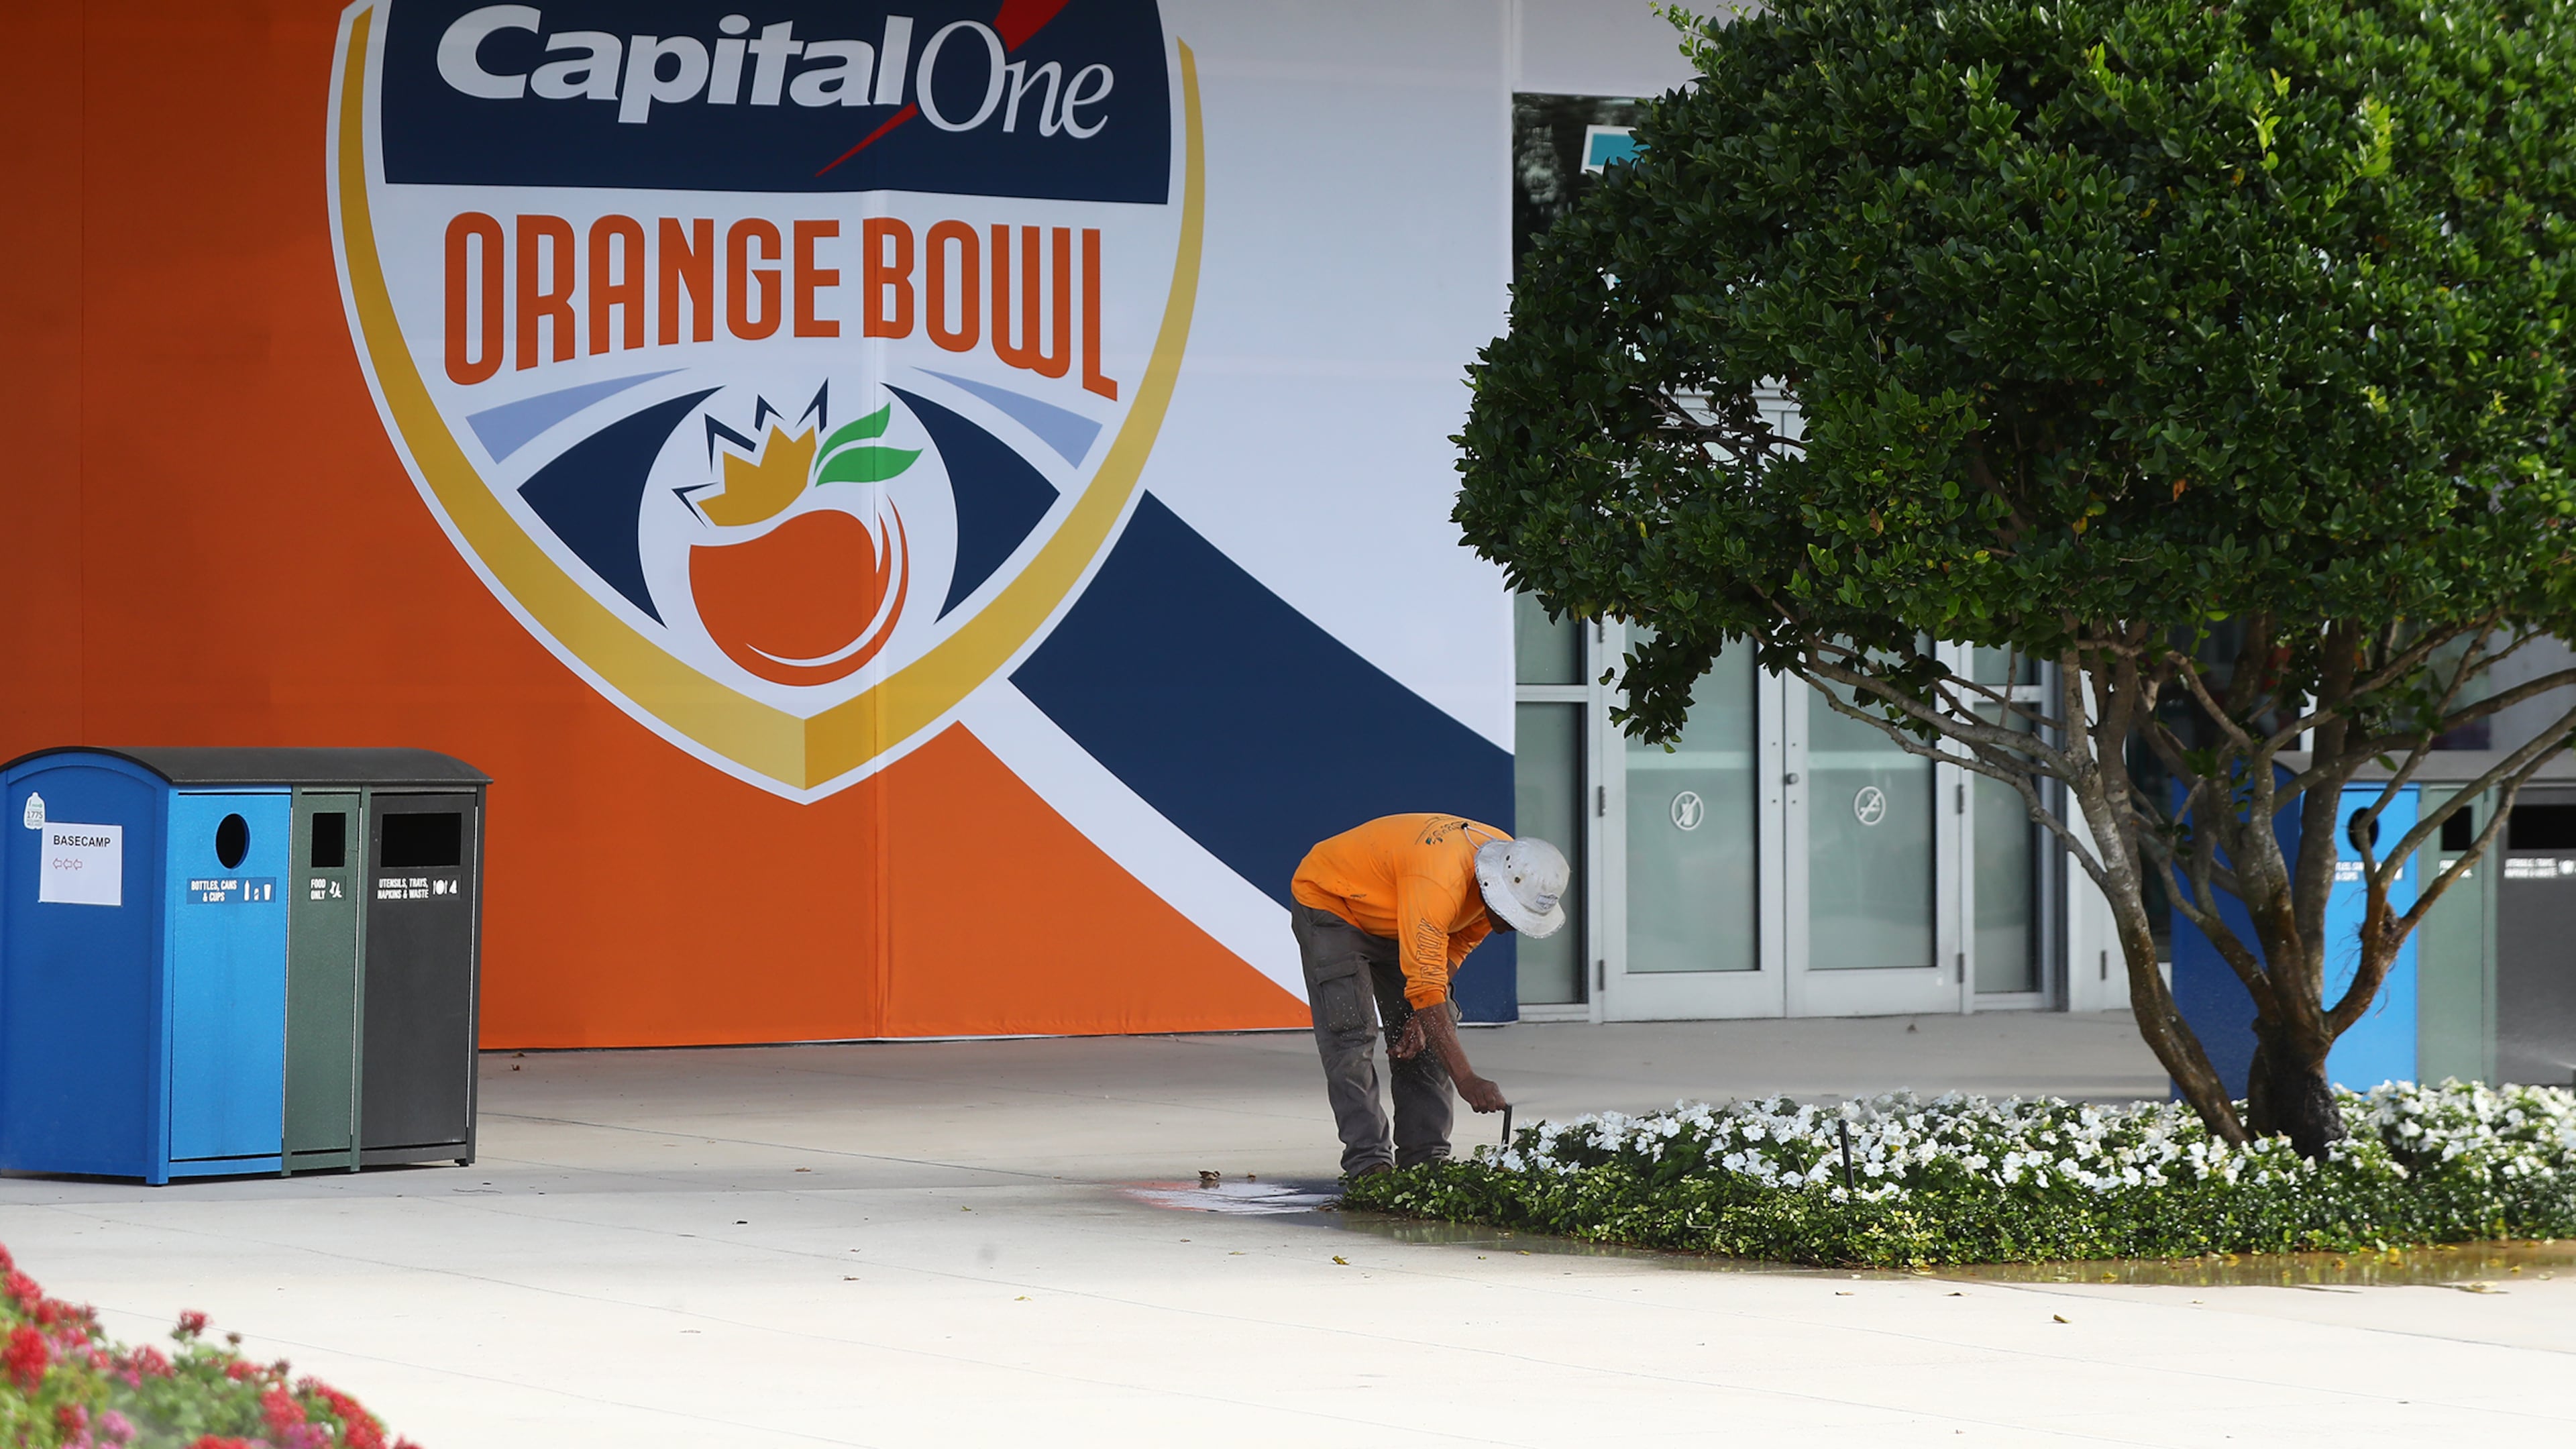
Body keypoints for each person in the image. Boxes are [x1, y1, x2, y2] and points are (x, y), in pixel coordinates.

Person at [1287, 813, 1570, 1177]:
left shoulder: (1507, 868)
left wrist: (1425, 1019)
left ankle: (1425, 1161)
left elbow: (1458, 945)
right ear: (1493, 888)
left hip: (1403, 913)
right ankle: (1369, 1164)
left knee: (1431, 1033)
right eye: (1512, 916)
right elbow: (1425, 985)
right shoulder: (1441, 879)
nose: (1508, 928)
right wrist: (1467, 1079)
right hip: (1334, 902)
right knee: (1351, 1035)